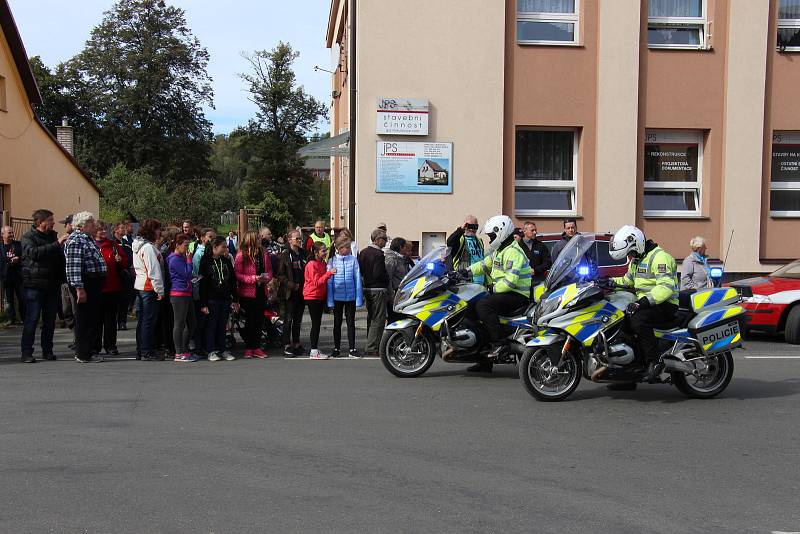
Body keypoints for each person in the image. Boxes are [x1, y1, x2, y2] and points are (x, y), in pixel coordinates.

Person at [609, 225, 679, 382]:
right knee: (618, 320)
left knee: (638, 320)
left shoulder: (660, 258)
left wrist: (642, 303)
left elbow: (665, 288)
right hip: (646, 303)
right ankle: (628, 369)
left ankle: (653, 362)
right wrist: (609, 282)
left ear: (637, 243)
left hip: (665, 304)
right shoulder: (637, 259)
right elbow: (628, 280)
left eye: (631, 252)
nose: (630, 256)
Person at [466, 215, 532, 373]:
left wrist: (492, 289)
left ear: (501, 232)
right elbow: (484, 264)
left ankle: (500, 343)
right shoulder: (500, 250)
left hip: (517, 295)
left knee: (483, 304)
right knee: (471, 304)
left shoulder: (513, 252)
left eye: (491, 236)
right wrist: (464, 271)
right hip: (505, 292)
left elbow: (510, 281)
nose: (490, 239)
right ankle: (482, 358)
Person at [20, 209, 67, 363]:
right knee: (32, 319)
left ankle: (47, 350)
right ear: (41, 222)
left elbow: (58, 258)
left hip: (52, 284)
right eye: (51, 220)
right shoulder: (28, 237)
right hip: (34, 284)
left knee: (50, 320)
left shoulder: (52, 236)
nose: (53, 223)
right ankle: (26, 352)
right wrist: (57, 244)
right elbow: (33, 254)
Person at [64, 212, 107, 363]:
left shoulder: (87, 239)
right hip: (85, 283)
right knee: (84, 319)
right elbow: (74, 267)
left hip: (93, 283)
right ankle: (83, 353)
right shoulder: (76, 240)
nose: (94, 226)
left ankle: (89, 350)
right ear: (83, 225)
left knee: (90, 319)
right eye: (91, 223)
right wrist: (79, 289)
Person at [199, 236, 239, 362]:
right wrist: (203, 303)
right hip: (211, 299)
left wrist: (235, 299)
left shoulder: (226, 261)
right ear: (215, 247)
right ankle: (211, 350)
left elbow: (232, 281)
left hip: (225, 298)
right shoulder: (205, 261)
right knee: (211, 325)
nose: (225, 249)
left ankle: (223, 349)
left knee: (223, 325)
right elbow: (203, 284)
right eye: (223, 247)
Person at [93, 220, 129, 356]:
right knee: (96, 320)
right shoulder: (91, 244)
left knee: (110, 320)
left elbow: (125, 262)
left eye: (104, 229)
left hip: (112, 287)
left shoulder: (113, 245)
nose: (103, 232)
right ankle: (95, 346)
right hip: (96, 288)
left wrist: (121, 260)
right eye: (100, 230)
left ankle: (110, 345)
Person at [234, 231, 272, 359]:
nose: (260, 240)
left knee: (259, 321)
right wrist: (253, 278)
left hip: (261, 291)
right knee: (249, 321)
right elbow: (238, 274)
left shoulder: (264, 253)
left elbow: (269, 270)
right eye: (257, 238)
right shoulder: (241, 255)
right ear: (250, 240)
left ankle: (256, 347)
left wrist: (266, 278)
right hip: (247, 293)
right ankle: (249, 347)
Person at [133, 219, 165, 361]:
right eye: (158, 229)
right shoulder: (148, 248)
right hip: (149, 287)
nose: (160, 232)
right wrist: (160, 290)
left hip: (141, 286)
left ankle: (142, 349)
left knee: (143, 320)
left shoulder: (140, 245)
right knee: (148, 321)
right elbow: (154, 271)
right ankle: (147, 351)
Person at [327, 236, 363, 358]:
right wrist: (330, 300)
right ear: (339, 248)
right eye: (346, 247)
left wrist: (358, 298)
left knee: (350, 323)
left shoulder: (353, 260)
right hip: (337, 297)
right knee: (337, 323)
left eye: (349, 247)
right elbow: (329, 282)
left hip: (351, 297)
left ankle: (352, 348)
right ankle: (336, 348)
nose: (348, 249)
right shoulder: (332, 261)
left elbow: (357, 278)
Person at [168, 234, 200, 362]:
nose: (188, 248)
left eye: (188, 245)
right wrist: (189, 260)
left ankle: (185, 349)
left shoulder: (180, 257)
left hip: (186, 292)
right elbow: (186, 274)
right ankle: (179, 352)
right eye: (185, 245)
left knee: (192, 323)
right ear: (177, 245)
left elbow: (188, 275)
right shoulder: (174, 259)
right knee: (179, 323)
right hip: (178, 294)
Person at [275, 229, 307, 357]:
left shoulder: (303, 253)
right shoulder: (285, 254)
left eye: (300, 238)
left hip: (302, 292)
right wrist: (292, 285)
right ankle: (287, 344)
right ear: (289, 240)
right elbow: (280, 275)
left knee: (298, 320)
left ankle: (297, 343)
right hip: (290, 292)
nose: (299, 241)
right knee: (288, 319)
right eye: (297, 239)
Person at [358, 228, 389, 356]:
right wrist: (386, 278)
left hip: (367, 288)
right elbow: (378, 273)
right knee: (378, 319)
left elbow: (360, 270)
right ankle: (372, 347)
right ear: (377, 240)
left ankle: (369, 343)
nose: (386, 242)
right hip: (378, 289)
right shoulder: (378, 255)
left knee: (371, 317)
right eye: (384, 239)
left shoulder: (364, 252)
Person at [304, 241, 336, 359]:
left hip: (319, 296)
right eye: (323, 250)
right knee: (315, 324)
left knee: (317, 323)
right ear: (316, 252)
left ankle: (315, 348)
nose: (325, 252)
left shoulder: (322, 263)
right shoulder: (312, 264)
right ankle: (313, 351)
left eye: (325, 250)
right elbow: (317, 282)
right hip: (312, 296)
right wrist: (329, 273)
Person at [191, 228, 216, 355]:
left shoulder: (210, 253)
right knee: (200, 323)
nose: (211, 240)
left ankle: (206, 346)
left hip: (208, 292)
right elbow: (196, 275)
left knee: (207, 322)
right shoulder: (199, 254)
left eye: (213, 237)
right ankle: (199, 347)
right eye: (209, 237)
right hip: (200, 292)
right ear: (202, 238)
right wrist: (197, 295)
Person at [446, 215, 485, 285]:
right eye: (469, 226)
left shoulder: (480, 241)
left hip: (480, 284)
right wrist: (461, 230)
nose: (472, 229)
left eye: (475, 226)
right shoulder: (461, 239)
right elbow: (450, 242)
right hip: (464, 282)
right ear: (465, 226)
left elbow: (483, 262)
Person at [113, 222, 135, 331]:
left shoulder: (126, 242)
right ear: (116, 230)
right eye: (121, 228)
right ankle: (115, 321)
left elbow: (131, 255)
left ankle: (122, 321)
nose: (123, 230)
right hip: (116, 274)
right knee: (116, 300)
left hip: (126, 273)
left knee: (125, 299)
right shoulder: (112, 242)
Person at [384, 237, 412, 323]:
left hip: (401, 292)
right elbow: (388, 278)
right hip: (395, 292)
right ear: (400, 247)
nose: (406, 250)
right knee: (395, 318)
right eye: (405, 247)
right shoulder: (392, 259)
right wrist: (391, 296)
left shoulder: (400, 258)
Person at [0, 225, 24, 325]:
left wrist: (19, 259)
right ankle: (10, 318)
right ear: (2, 234)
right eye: (9, 233)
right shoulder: (1, 247)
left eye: (12, 232)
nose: (11, 234)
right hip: (6, 277)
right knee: (9, 300)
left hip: (18, 276)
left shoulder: (18, 245)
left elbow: (24, 256)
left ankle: (23, 318)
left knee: (22, 298)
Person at [59, 214, 77, 336]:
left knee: (75, 310)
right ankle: (74, 332)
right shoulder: (63, 240)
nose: (65, 226)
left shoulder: (76, 240)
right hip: (63, 279)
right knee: (66, 310)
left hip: (73, 280)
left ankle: (78, 338)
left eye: (67, 223)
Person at [519, 221, 552, 286]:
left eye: (535, 230)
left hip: (538, 281)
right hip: (522, 283)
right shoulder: (518, 246)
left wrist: (535, 270)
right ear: (525, 231)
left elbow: (548, 262)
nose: (535, 232)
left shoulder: (541, 246)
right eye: (532, 230)